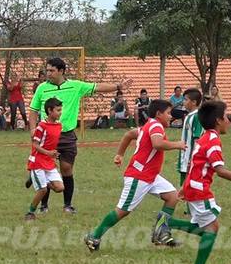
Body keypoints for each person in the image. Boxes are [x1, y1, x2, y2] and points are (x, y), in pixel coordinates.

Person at [165, 101, 231, 264]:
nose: (228, 121)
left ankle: (168, 224)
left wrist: (185, 188)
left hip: (194, 187)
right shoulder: (213, 141)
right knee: (212, 229)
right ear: (218, 120)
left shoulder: (205, 137)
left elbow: (194, 164)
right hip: (200, 190)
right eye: (226, 117)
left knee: (206, 227)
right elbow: (220, 171)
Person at [28, 57, 132, 214]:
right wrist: (32, 130)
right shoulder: (42, 88)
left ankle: (67, 205)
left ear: (61, 71)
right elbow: (33, 110)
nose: (48, 73)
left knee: (67, 168)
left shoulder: (76, 86)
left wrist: (118, 86)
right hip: (47, 135)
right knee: (44, 168)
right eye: (47, 70)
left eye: (51, 70)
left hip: (67, 134)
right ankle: (44, 206)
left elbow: (97, 87)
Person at [83, 100, 187, 251]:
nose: (171, 116)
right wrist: (177, 144)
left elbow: (129, 134)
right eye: (168, 113)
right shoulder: (156, 125)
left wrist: (120, 154)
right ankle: (94, 236)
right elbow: (157, 144)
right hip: (139, 176)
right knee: (122, 211)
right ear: (158, 114)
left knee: (172, 196)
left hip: (150, 175)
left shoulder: (149, 125)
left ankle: (161, 233)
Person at [24, 98, 65, 220]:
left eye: (60, 110)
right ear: (49, 111)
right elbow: (35, 145)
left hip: (49, 161)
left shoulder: (59, 125)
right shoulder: (41, 126)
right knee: (42, 190)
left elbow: (51, 143)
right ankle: (30, 213)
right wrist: (48, 153)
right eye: (58, 110)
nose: (60, 112)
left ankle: (35, 179)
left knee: (60, 188)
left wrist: (54, 154)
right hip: (38, 161)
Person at [177, 88, 204, 187]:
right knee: (184, 189)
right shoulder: (188, 116)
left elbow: (197, 140)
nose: (183, 102)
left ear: (193, 102)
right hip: (185, 158)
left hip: (190, 160)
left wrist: (192, 159)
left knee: (189, 189)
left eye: (185, 99)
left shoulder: (197, 117)